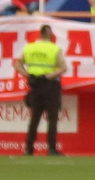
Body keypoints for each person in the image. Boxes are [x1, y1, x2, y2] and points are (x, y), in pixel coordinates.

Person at [14, 24, 66, 157]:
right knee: (52, 118)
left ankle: (29, 148)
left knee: (35, 118)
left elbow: (18, 64)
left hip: (35, 86)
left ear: (40, 34)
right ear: (50, 34)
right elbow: (63, 67)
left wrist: (27, 75)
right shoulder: (54, 49)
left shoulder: (29, 48)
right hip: (50, 86)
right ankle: (51, 149)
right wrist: (49, 76)